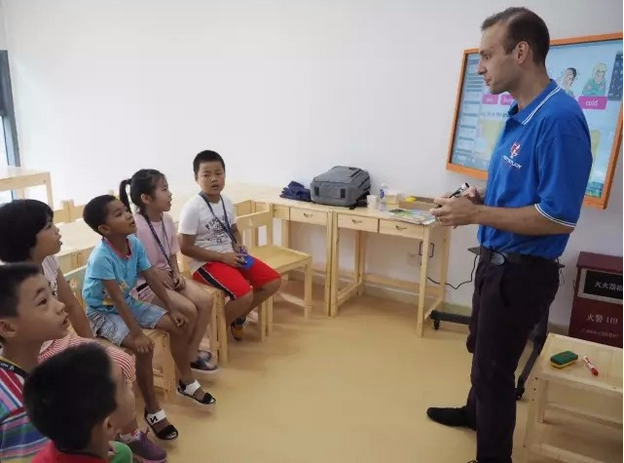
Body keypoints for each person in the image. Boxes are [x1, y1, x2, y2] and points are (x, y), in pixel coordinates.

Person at [427, 7, 592, 463]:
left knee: (496, 372)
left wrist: (475, 214)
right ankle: (473, 413)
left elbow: (557, 218)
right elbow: (520, 187)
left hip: (522, 274)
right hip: (495, 262)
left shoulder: (559, 120)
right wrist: (479, 195)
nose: (479, 67)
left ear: (520, 52)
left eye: (486, 55)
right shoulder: (519, 113)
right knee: (482, 354)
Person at [0, 200, 166, 462]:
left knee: (120, 362)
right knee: (83, 393)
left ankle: (127, 433)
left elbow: (72, 306)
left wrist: (91, 347)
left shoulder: (49, 262)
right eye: (49, 226)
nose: (57, 230)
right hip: (39, 348)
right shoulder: (11, 285)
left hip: (61, 338)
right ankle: (91, 439)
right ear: (27, 238)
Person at [82, 195, 216, 440]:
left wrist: (172, 308)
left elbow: (152, 278)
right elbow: (116, 299)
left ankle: (186, 382)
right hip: (102, 312)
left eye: (126, 210)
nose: (128, 215)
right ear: (105, 229)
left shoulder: (134, 243)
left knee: (178, 324)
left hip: (127, 302)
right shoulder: (101, 256)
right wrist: (137, 334)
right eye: (119, 214)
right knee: (144, 348)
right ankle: (153, 411)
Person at [119, 169, 217, 373]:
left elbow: (172, 253)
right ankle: (180, 362)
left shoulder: (167, 219)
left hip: (170, 277)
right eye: (164, 189)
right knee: (188, 309)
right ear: (146, 198)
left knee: (206, 301)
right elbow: (128, 265)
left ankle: (190, 353)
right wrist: (152, 272)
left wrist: (177, 273)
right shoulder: (134, 227)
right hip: (146, 285)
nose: (170, 194)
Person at [178, 150, 282, 340]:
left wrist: (238, 244)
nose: (214, 179)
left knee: (272, 281)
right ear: (196, 178)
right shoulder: (192, 208)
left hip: (231, 256)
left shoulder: (226, 202)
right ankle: (217, 335)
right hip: (206, 264)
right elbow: (185, 247)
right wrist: (222, 257)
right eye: (206, 174)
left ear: (224, 175)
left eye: (218, 173)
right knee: (244, 294)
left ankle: (238, 317)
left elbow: (233, 230)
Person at [0, 263, 67, 462]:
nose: (60, 305)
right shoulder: (22, 410)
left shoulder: (17, 372)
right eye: (43, 301)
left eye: (52, 294)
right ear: (7, 328)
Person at [24, 344, 135, 463]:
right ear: (108, 425)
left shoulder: (57, 447)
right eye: (124, 383)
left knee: (122, 452)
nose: (130, 383)